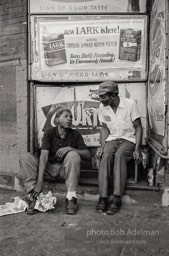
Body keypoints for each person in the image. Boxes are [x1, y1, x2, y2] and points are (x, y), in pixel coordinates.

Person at [20, 108, 90, 215]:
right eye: (66, 116)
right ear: (57, 120)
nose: (69, 119)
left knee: (73, 154)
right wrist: (39, 183)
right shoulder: (49, 133)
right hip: (49, 169)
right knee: (25, 157)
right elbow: (43, 158)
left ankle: (71, 198)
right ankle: (33, 195)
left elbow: (87, 154)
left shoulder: (75, 134)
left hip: (64, 170)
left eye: (71, 117)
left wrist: (70, 148)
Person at [95, 81, 142, 215]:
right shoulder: (102, 107)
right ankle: (103, 198)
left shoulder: (130, 104)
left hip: (129, 139)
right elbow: (104, 129)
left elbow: (138, 127)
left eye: (103, 96)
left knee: (119, 156)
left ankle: (116, 199)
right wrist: (101, 146)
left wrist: (137, 149)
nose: (101, 99)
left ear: (113, 96)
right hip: (112, 139)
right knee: (106, 156)